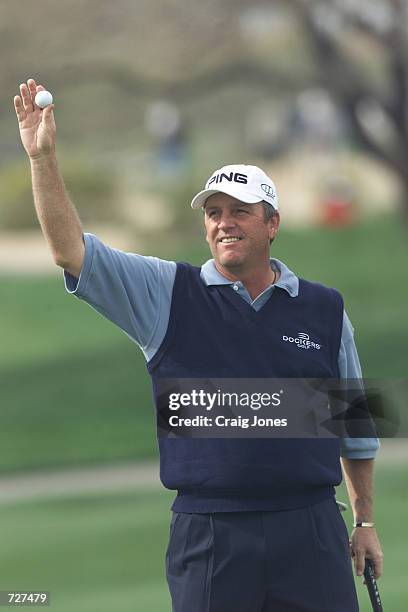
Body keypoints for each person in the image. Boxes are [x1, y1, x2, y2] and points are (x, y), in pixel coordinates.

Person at [14, 78, 383, 612]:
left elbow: (356, 425)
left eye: (240, 211)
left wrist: (366, 520)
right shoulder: (167, 292)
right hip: (210, 532)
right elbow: (70, 252)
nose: (224, 223)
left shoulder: (324, 309)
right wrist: (42, 158)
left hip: (311, 527)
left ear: (272, 223)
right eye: (214, 212)